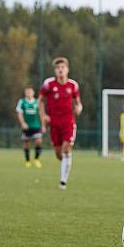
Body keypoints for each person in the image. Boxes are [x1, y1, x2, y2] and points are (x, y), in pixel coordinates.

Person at [38, 57, 83, 189]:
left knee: (66, 149)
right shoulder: (48, 84)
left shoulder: (73, 85)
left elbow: (78, 103)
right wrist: (43, 117)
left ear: (67, 69)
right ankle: (65, 161)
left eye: (63, 67)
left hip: (68, 122)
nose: (60, 70)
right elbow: (40, 101)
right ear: (55, 70)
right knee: (59, 154)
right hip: (54, 123)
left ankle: (63, 182)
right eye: (58, 68)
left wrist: (79, 108)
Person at [15, 86, 44, 168]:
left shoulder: (37, 102)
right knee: (26, 143)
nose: (28, 93)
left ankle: (36, 159)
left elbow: (41, 114)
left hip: (36, 125)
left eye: (30, 92)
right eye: (27, 92)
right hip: (26, 127)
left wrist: (43, 124)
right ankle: (27, 161)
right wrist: (23, 123)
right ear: (25, 93)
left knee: (38, 141)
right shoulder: (22, 102)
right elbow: (19, 113)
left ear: (33, 93)